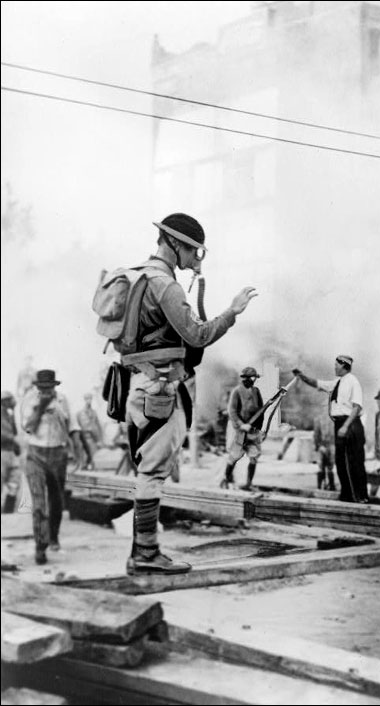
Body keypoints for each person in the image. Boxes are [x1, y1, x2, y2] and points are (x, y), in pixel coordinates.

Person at [121, 213, 257, 575]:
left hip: (143, 384)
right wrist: (232, 313)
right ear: (174, 243)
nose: (195, 257)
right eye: (193, 249)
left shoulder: (140, 275)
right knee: (152, 472)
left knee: (149, 469)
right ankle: (145, 554)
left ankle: (143, 552)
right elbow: (197, 336)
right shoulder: (166, 284)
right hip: (160, 386)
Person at [293, 355, 368, 503]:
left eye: (337, 365)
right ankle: (347, 495)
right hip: (340, 424)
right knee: (340, 462)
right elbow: (317, 383)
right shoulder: (337, 383)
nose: (334, 367)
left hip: (350, 424)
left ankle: (360, 497)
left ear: (344, 366)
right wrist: (302, 377)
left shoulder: (353, 381)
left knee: (354, 462)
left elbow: (357, 406)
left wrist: (346, 426)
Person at [21, 370, 72, 564]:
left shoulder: (63, 400)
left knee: (57, 499)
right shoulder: (29, 400)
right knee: (39, 503)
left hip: (58, 454)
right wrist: (41, 407)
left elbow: (71, 426)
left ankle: (53, 536)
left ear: (55, 386)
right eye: (42, 388)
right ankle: (40, 547)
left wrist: (78, 451)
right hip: (36, 454)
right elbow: (27, 427)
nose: (46, 391)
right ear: (37, 387)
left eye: (49, 387)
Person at [220, 367, 264, 491]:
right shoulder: (237, 391)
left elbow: (261, 411)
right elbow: (232, 411)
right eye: (251, 378)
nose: (253, 380)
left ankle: (249, 483)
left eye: (254, 378)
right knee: (234, 456)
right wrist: (241, 424)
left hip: (252, 430)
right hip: (238, 430)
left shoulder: (256, 391)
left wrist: (259, 429)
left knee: (254, 456)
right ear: (245, 379)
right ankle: (226, 479)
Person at [1, 391, 21, 514]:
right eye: (10, 400)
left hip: (10, 451)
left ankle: (8, 513)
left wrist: (13, 413)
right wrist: (14, 440)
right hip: (2, 451)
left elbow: (15, 431)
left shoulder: (7, 415)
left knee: (14, 482)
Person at [76, 393, 104, 470]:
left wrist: (100, 439)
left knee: (93, 456)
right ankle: (84, 466)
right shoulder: (80, 413)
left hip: (94, 438)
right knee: (86, 455)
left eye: (90, 399)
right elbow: (80, 426)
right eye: (87, 399)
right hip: (85, 437)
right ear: (84, 400)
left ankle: (90, 467)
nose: (89, 400)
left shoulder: (94, 412)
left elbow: (98, 425)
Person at [313, 408, 336, 491]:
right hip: (326, 445)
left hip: (329, 445)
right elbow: (316, 434)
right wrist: (318, 445)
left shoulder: (331, 419)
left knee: (326, 466)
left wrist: (317, 446)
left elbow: (316, 434)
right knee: (325, 466)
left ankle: (327, 485)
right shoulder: (322, 419)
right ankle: (324, 485)